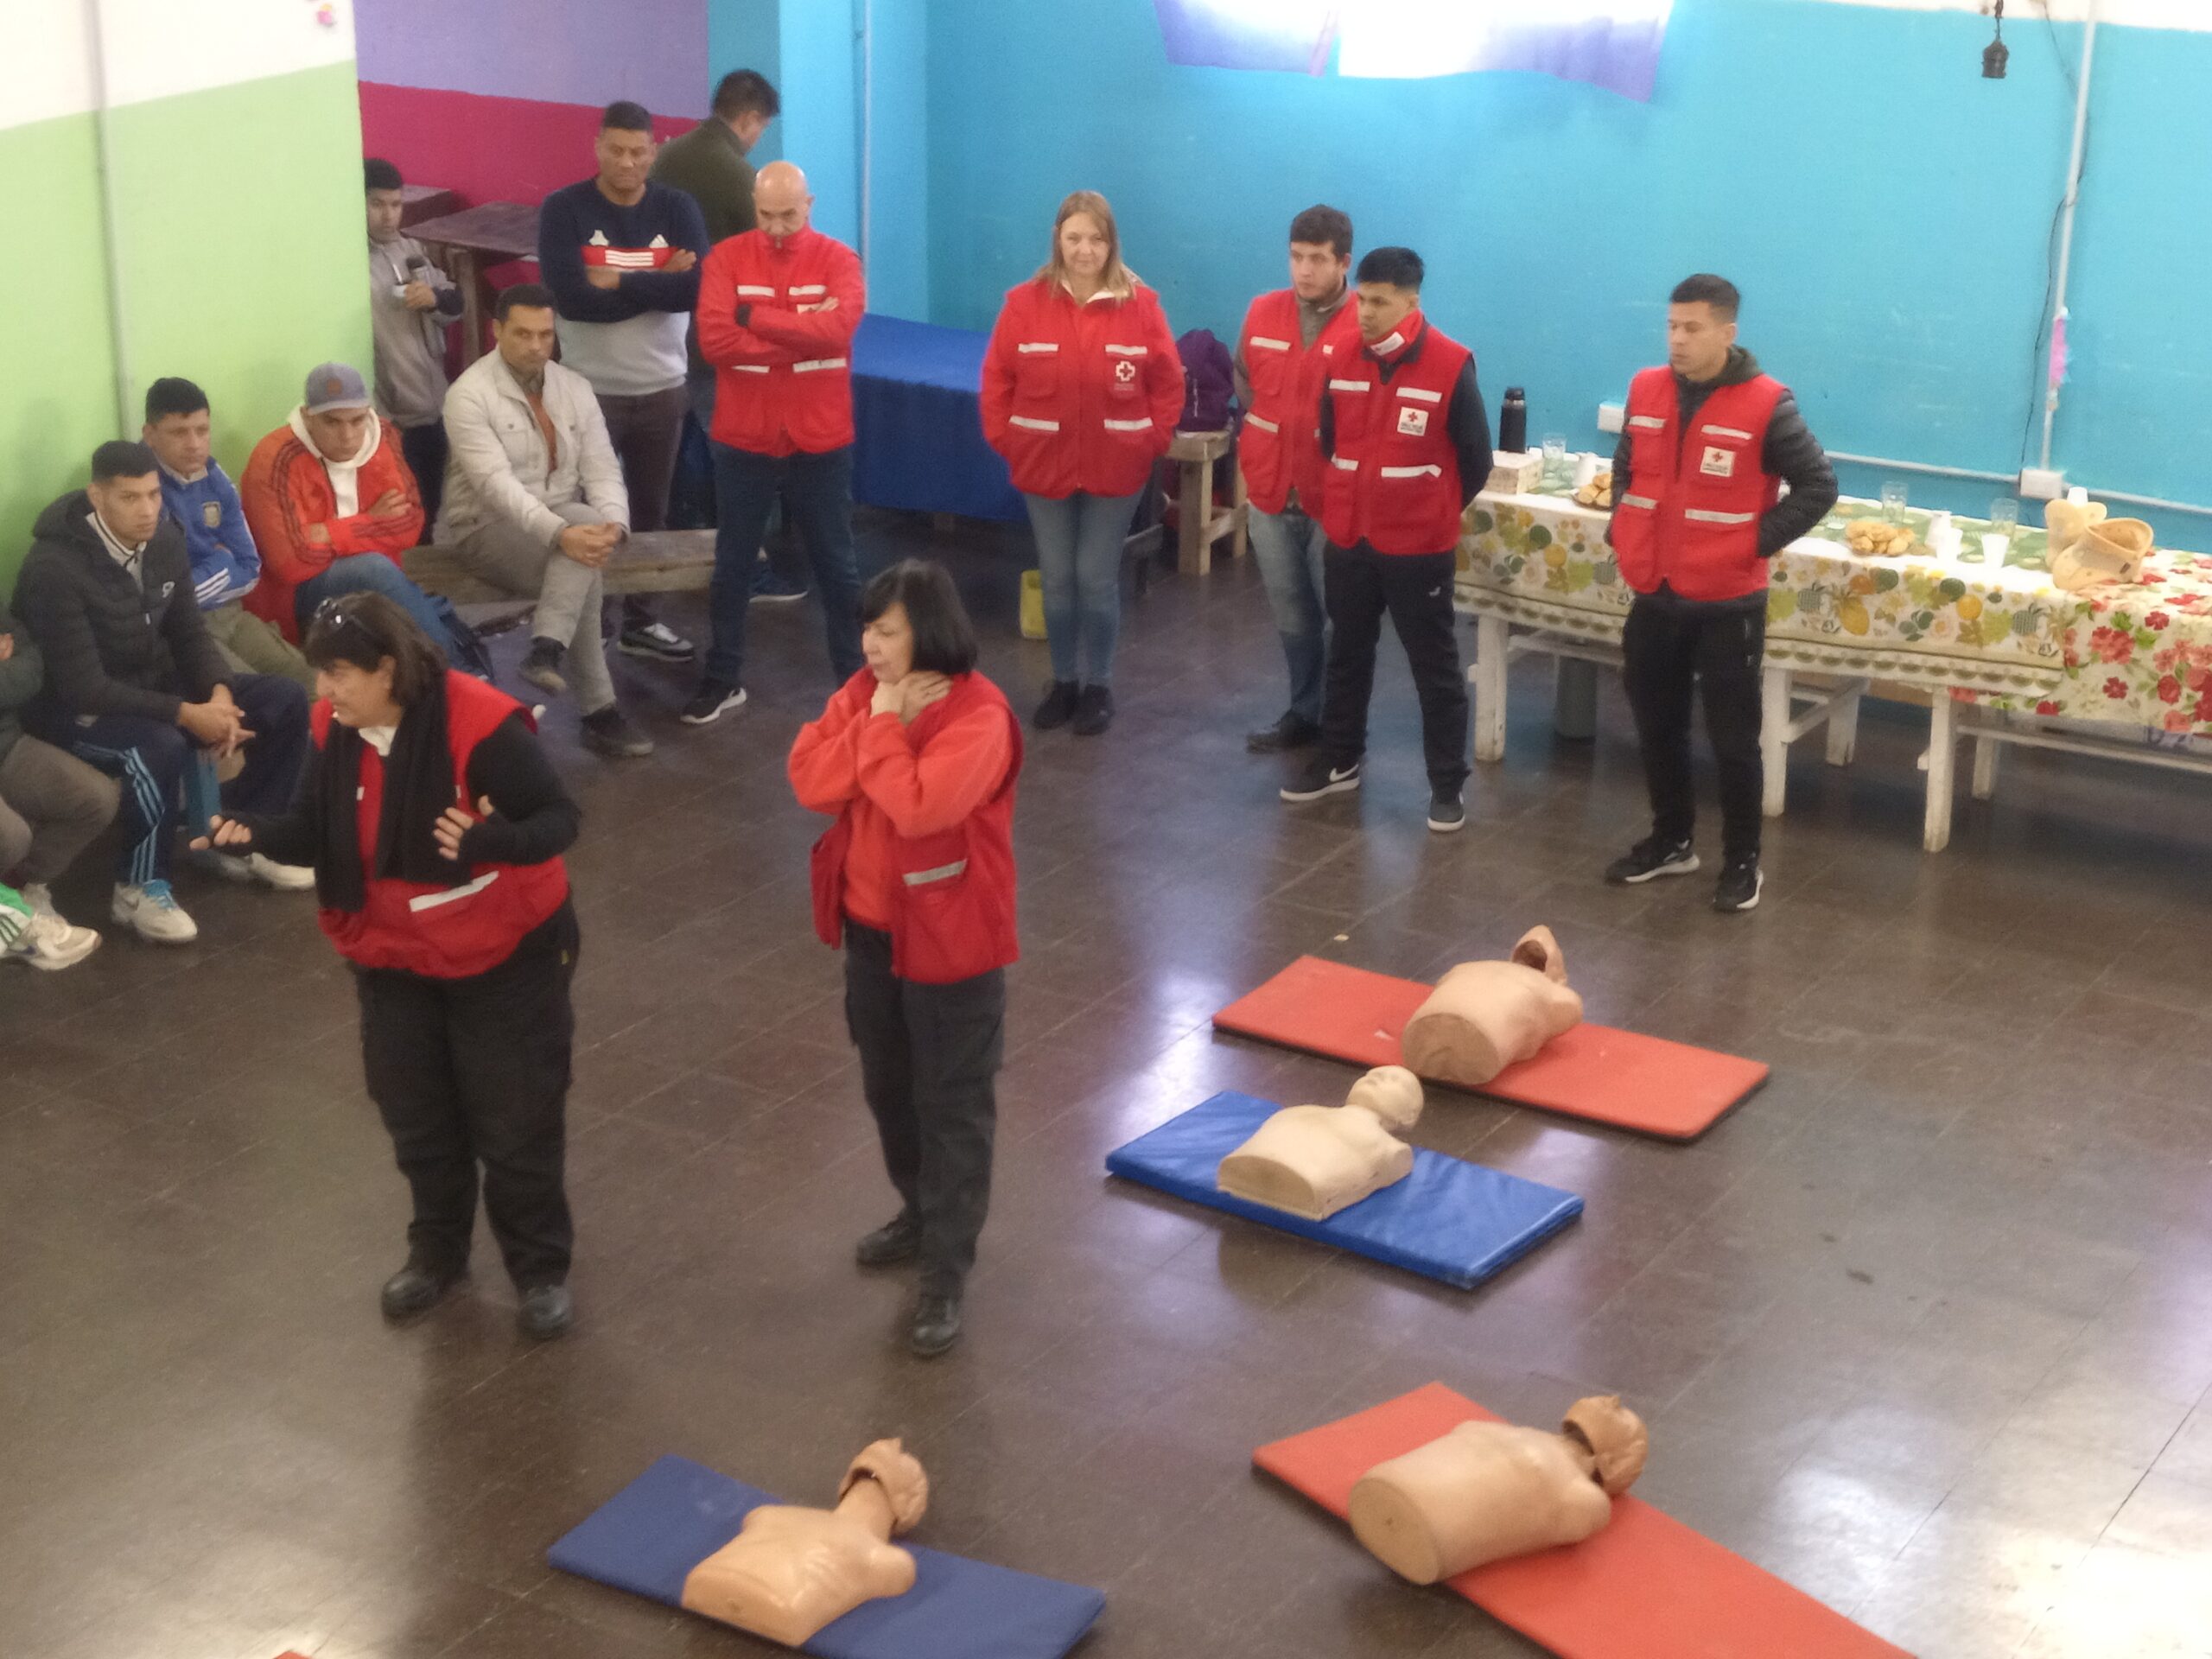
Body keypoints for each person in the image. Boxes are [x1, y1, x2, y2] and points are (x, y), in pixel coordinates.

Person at [194, 593, 584, 1340]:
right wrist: (256, 834)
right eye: (319, 675)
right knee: (417, 1114)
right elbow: (316, 831)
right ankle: (436, 1255)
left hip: (506, 957)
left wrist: (486, 842)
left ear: (387, 669)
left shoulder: (482, 723)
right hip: (394, 957)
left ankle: (539, 1269)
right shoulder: (334, 729)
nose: (323, 692)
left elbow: (560, 819)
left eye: (338, 674)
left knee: (515, 1118)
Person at [786, 560, 1021, 1357]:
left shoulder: (980, 717)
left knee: (953, 1106)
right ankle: (918, 1213)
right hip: (871, 936)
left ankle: (945, 1277)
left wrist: (879, 730)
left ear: (929, 629)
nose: (871, 646)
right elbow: (810, 782)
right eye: (867, 629)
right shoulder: (864, 692)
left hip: (953, 948)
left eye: (886, 631)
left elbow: (924, 807)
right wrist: (877, 717)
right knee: (889, 1090)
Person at [13, 442, 313, 942]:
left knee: (282, 699)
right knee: (156, 744)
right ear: (97, 496)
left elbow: (189, 634)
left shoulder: (165, 540)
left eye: (153, 494)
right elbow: (84, 688)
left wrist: (217, 693)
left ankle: (238, 836)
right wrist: (186, 715)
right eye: (130, 497)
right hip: (66, 709)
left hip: (147, 686)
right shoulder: (53, 568)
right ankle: (138, 888)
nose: (148, 509)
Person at [1604, 274, 1837, 913]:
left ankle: (1742, 861)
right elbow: (1629, 463)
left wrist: (1750, 544)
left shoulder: (1768, 403)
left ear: (1727, 333)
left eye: (1692, 328)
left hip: (1728, 601)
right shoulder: (1645, 388)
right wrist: (1623, 524)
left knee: (1733, 740)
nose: (1677, 339)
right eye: (1672, 326)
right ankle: (1672, 840)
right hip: (1656, 590)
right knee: (1656, 725)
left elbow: (1818, 487)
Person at [1281, 246, 1491, 833]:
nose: (1365, 312)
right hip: (1350, 538)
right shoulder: (1343, 356)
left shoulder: (1451, 365)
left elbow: (1475, 460)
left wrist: (1430, 510)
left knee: (1435, 666)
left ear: (1410, 301)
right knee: (1346, 652)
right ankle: (1340, 757)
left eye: (1378, 302)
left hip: (1418, 548)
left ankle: (1446, 785)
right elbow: (1329, 439)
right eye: (1361, 299)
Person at [981, 190, 1183, 737]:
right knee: (1057, 578)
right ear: (1057, 239)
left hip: (1116, 468)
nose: (1085, 249)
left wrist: (1154, 440)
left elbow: (1168, 380)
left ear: (1112, 242)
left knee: (1095, 578)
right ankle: (1063, 681)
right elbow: (998, 377)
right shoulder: (1023, 303)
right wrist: (1007, 439)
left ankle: (1099, 685)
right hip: (1043, 465)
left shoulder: (1142, 306)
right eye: (1074, 238)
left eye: (1096, 238)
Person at [686, 160, 868, 725]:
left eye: (789, 214)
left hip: (821, 439)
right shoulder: (726, 258)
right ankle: (723, 679)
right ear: (754, 205)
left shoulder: (840, 260)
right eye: (767, 215)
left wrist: (757, 317)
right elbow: (716, 342)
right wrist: (800, 339)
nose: (778, 227)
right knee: (732, 566)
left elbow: (840, 330)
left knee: (837, 567)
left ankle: (854, 684)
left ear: (809, 205)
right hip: (745, 439)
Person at [439, 284, 655, 759]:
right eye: (522, 334)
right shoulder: (468, 395)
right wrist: (564, 534)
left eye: (545, 334)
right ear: (496, 331)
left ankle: (548, 652)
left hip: (560, 518)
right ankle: (598, 711)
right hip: (483, 525)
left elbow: (602, 465)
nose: (537, 346)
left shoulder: (573, 387)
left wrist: (614, 525)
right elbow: (496, 486)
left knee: (588, 537)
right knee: (579, 560)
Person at [538, 99, 708, 667]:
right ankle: (595, 625)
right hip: (587, 395)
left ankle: (642, 621)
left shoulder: (678, 207)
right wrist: (659, 274)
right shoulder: (564, 209)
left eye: (639, 151)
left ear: (654, 151)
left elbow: (694, 293)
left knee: (651, 513)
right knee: (590, 514)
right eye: (617, 149)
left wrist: (616, 278)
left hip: (663, 391)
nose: (628, 162)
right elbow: (572, 299)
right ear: (598, 147)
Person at [651, 68, 805, 600]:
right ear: (748, 119)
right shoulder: (739, 176)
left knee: (682, 454)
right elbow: (774, 257)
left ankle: (685, 558)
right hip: (719, 339)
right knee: (741, 458)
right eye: (760, 128)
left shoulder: (668, 156)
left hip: (661, 335)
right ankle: (747, 572)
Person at [238, 363, 483, 677]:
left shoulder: (382, 438)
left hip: (375, 580)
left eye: (357, 421)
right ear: (308, 417)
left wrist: (328, 532)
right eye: (332, 422)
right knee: (373, 570)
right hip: (297, 597)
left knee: (381, 579)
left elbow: (410, 525)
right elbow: (289, 562)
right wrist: (372, 523)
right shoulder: (274, 458)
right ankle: (458, 676)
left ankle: (440, 678)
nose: (348, 435)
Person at [1236, 204, 1355, 754]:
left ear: (1343, 262)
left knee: (1340, 620)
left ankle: (1342, 724)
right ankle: (1304, 711)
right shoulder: (1261, 312)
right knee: (1291, 614)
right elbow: (1244, 381)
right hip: (1268, 492)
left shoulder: (1365, 324)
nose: (1304, 270)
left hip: (1333, 500)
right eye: (1296, 257)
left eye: (1316, 259)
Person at [142, 376, 316, 693]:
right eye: (179, 432)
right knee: (263, 697)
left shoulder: (215, 476)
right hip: (182, 630)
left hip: (231, 614)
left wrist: (205, 577)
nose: (195, 443)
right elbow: (165, 597)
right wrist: (223, 560)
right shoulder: (141, 489)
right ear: (150, 435)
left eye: (202, 430)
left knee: (308, 679)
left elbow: (250, 567)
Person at [0, 600, 116, 968]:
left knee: (95, 798)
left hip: (6, 744)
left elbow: (30, 666)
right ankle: (17, 922)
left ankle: (22, 891)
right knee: (10, 835)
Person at [365, 157, 464, 527]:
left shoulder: (412, 249)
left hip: (432, 406)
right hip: (389, 416)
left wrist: (434, 299)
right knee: (401, 514)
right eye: (376, 204)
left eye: (395, 204)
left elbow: (456, 305)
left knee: (433, 506)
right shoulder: (347, 260)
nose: (388, 216)